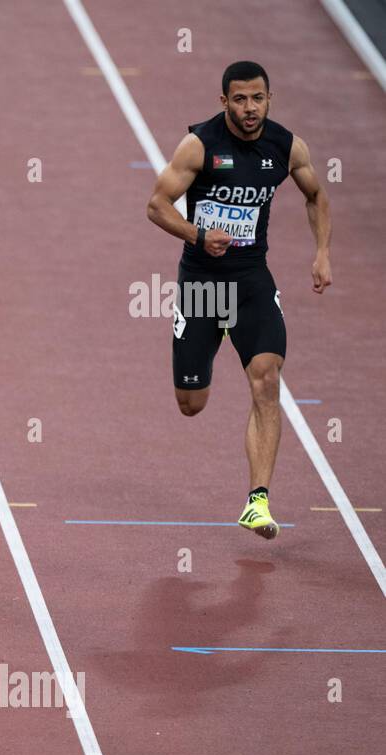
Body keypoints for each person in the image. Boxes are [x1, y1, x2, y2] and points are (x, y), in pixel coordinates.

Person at [147, 61, 331, 538]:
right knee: (192, 404)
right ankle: (197, 364)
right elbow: (156, 205)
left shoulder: (287, 147)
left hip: (251, 282)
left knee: (266, 380)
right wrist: (197, 234)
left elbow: (316, 195)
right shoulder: (199, 145)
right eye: (240, 99)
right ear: (223, 100)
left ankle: (257, 501)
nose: (250, 109)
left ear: (270, 99)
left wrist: (323, 253)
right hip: (203, 285)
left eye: (258, 99)